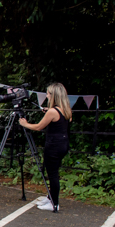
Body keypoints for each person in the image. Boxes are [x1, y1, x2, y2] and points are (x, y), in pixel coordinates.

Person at [18, 83, 72, 212]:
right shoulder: (66, 110)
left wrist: (24, 124)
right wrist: (49, 111)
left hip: (53, 145)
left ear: (54, 95)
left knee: (52, 174)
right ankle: (50, 197)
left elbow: (38, 127)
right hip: (63, 144)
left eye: (48, 93)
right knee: (54, 171)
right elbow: (59, 121)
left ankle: (54, 203)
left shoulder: (53, 112)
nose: (46, 95)